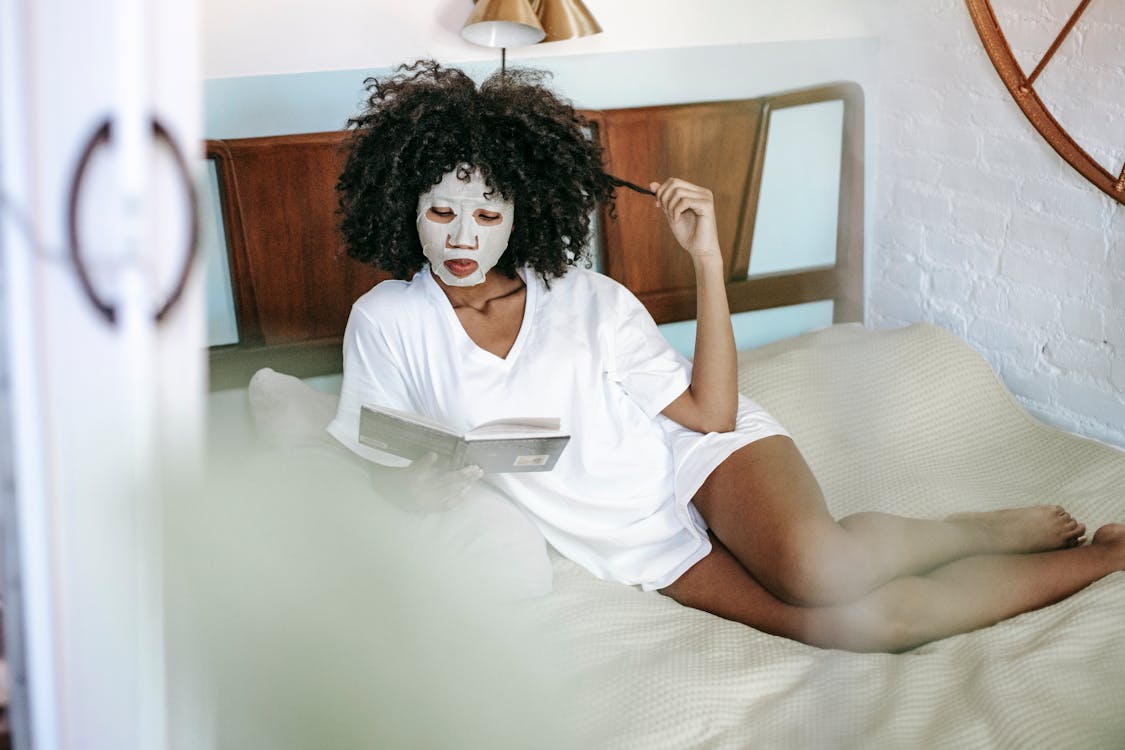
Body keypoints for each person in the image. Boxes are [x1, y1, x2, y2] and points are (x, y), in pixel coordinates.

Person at [327, 60, 1125, 653]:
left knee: (817, 570)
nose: (463, 237)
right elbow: (382, 459)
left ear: (520, 213)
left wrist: (706, 261)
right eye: (441, 211)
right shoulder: (387, 322)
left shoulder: (587, 298)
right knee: (872, 626)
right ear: (406, 208)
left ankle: (1011, 542)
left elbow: (706, 414)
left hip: (696, 452)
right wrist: (420, 490)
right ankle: (1036, 547)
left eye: (486, 213)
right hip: (636, 540)